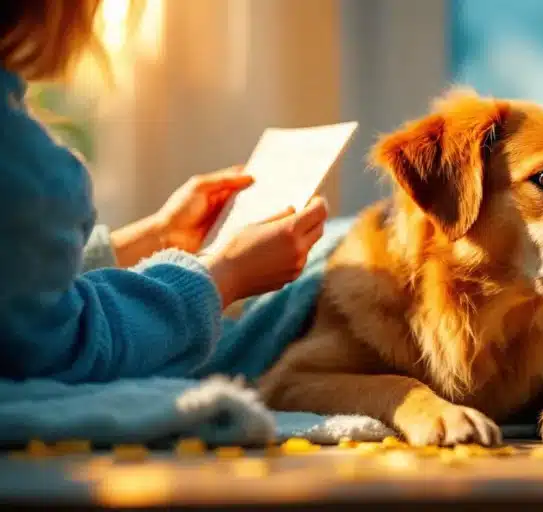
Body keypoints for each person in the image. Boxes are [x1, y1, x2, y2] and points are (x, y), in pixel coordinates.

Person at [0, 0, 329, 382]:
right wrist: (226, 276)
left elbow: (19, 286)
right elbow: (65, 343)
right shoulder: (26, 167)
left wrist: (155, 237)